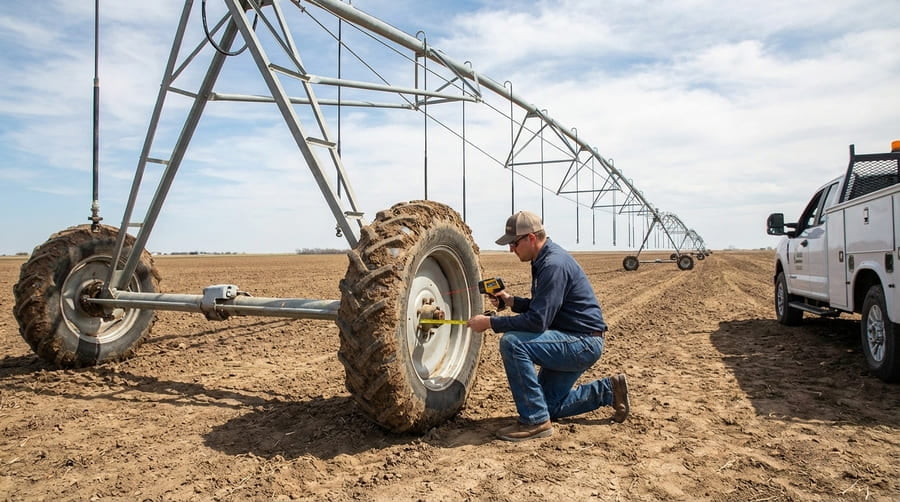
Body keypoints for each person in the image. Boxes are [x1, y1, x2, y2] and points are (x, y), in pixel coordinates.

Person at [467, 210, 629, 442]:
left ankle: (534, 423)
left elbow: (537, 322)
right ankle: (608, 391)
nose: (511, 250)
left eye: (514, 243)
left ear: (531, 238)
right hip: (573, 338)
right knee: (548, 406)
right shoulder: (544, 259)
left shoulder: (553, 265)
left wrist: (490, 322)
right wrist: (511, 301)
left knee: (512, 343)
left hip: (581, 342)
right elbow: (544, 308)